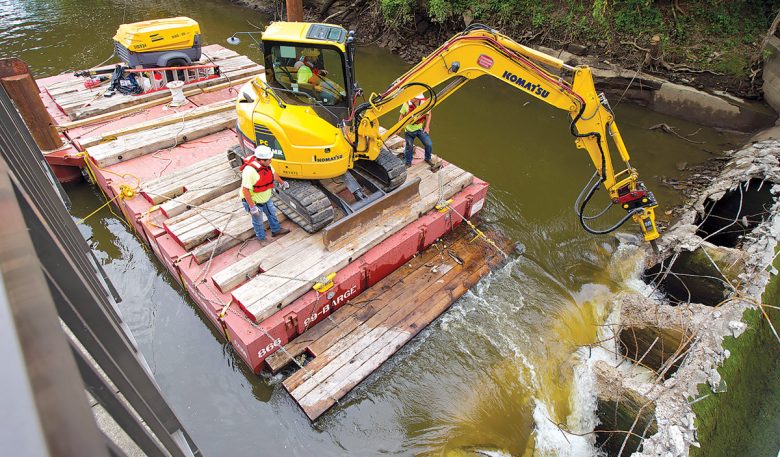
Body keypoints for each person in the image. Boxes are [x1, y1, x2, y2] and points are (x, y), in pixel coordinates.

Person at [239, 145, 291, 242]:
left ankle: (276, 230)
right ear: (261, 160)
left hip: (266, 197)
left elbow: (273, 174)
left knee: (272, 213)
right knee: (258, 221)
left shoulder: (267, 165)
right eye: (269, 160)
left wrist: (282, 182)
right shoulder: (249, 171)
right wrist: (252, 207)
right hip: (254, 201)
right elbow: (245, 190)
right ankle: (261, 238)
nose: (271, 161)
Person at [399, 94, 433, 167]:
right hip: (409, 130)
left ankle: (428, 158)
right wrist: (399, 128)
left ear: (417, 99)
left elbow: (428, 114)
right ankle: (408, 163)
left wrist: (427, 127)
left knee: (428, 144)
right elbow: (401, 115)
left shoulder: (424, 104)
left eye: (413, 97)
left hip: (420, 129)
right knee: (409, 147)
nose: (410, 98)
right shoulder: (406, 104)